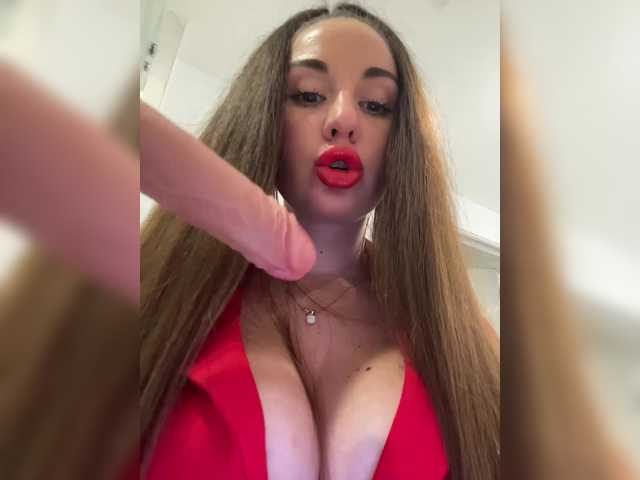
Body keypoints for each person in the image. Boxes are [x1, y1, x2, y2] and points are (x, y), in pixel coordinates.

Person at [140, 3, 499, 479]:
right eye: (308, 95)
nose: (343, 118)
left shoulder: (460, 338)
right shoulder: (164, 287)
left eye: (376, 105)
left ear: (403, 143)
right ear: (262, 117)